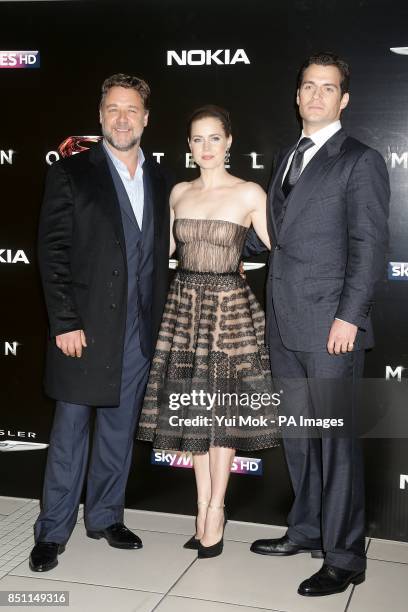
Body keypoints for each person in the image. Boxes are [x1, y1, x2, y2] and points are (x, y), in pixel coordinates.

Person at [247, 52, 390, 596]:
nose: (314, 96)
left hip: (331, 327)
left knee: (336, 443)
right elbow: (275, 234)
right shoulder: (287, 156)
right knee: (301, 439)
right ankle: (306, 531)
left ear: (344, 99)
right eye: (308, 86)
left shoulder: (360, 160)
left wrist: (349, 318)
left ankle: (345, 555)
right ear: (297, 94)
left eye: (327, 88)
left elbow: (369, 247)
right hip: (284, 323)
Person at [29, 73, 171, 572]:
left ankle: (106, 515)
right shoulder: (71, 173)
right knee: (70, 432)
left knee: (118, 430)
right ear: (100, 116)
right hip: (82, 332)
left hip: (137, 331)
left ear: (146, 118)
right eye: (113, 108)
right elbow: (52, 253)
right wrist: (64, 321)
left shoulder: (157, 177)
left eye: (131, 109)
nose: (122, 118)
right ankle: (52, 530)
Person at [137, 105, 280, 559]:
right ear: (188, 145)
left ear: (230, 141)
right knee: (194, 414)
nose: (206, 148)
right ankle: (201, 508)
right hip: (185, 312)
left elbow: (284, 251)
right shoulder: (179, 193)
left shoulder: (250, 193)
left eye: (214, 138)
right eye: (197, 139)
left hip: (229, 315)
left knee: (221, 419)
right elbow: (161, 254)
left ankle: (216, 511)